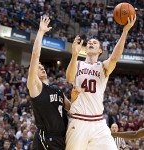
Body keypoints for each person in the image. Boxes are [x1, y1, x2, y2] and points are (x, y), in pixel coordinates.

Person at [65, 15, 136, 150]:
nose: (90, 43)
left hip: (98, 122)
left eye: (94, 42)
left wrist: (125, 31)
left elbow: (115, 57)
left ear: (100, 50)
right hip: (78, 120)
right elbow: (69, 78)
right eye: (89, 42)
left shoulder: (103, 67)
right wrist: (74, 55)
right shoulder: (78, 64)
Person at [27, 16, 71, 150]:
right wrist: (40, 32)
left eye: (42, 67)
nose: (41, 68)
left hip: (62, 138)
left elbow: (71, 108)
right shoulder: (35, 87)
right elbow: (35, 56)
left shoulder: (57, 89)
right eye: (38, 67)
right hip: (46, 139)